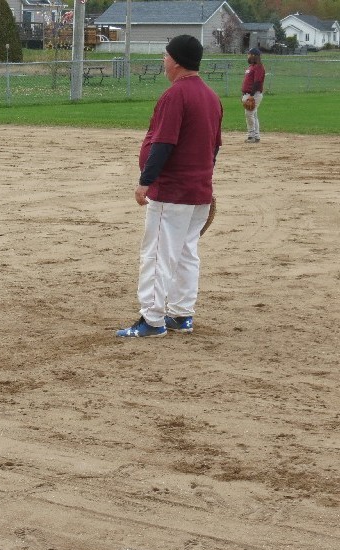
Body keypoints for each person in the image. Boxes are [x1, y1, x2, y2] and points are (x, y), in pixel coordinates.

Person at [116, 35, 223, 338]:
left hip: (172, 192)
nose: (163, 60)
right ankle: (181, 314)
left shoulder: (176, 95)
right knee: (186, 252)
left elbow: (163, 144)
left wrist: (145, 182)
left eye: (166, 55)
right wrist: (203, 180)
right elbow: (213, 148)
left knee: (157, 254)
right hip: (197, 191)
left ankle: (152, 320)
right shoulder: (211, 96)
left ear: (176, 61)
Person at [242, 47, 265, 143]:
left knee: (249, 114)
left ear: (254, 55)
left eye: (249, 54)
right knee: (253, 115)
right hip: (248, 94)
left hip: (254, 94)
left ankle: (252, 136)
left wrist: (251, 95)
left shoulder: (259, 67)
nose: (248, 55)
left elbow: (257, 82)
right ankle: (256, 136)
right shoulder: (251, 66)